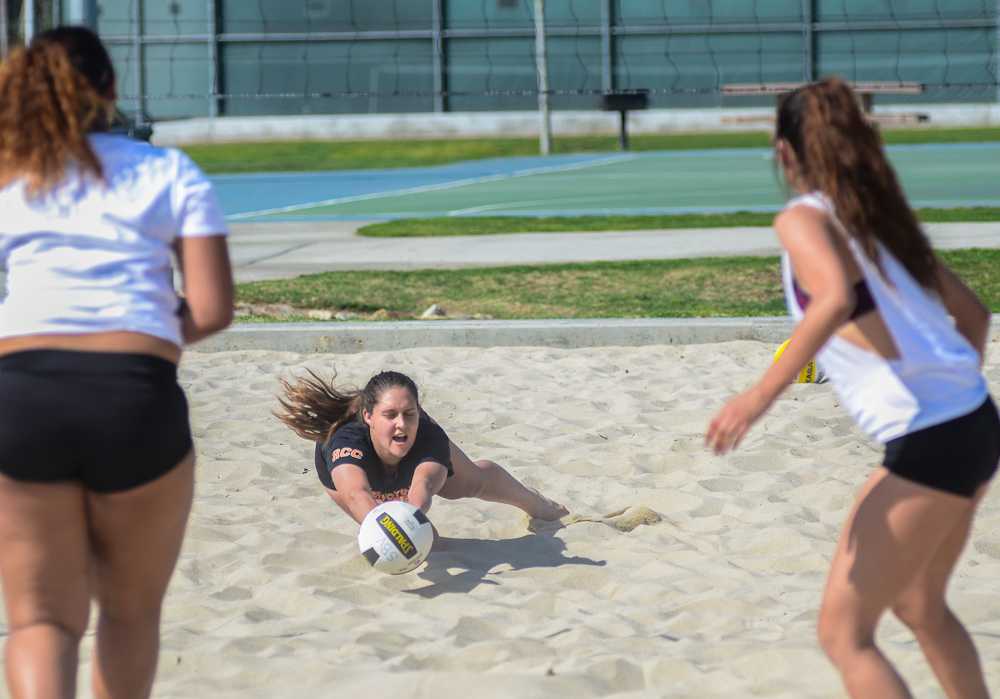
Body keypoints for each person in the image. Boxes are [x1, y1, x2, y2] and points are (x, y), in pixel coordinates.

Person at [705, 77, 998, 699]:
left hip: (937, 436)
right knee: (920, 606)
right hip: (975, 421)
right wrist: (951, 398)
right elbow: (976, 317)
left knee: (846, 637)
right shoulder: (882, 222)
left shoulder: (801, 219)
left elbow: (834, 297)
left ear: (784, 153)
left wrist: (755, 398)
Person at [0, 26, 233, 698]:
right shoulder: (169, 171)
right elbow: (213, 309)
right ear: (110, 90)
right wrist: (143, 336)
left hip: (21, 396)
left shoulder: (13, 174)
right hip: (133, 394)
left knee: (41, 620)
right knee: (130, 613)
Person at [275, 370, 569, 527]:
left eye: (410, 414)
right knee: (408, 537)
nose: (401, 424)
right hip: (354, 482)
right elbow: (356, 494)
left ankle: (538, 504)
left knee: (466, 485)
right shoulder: (346, 441)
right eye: (390, 415)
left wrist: (411, 520)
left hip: (418, 470)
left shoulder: (428, 436)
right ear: (368, 416)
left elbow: (423, 487)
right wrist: (391, 532)